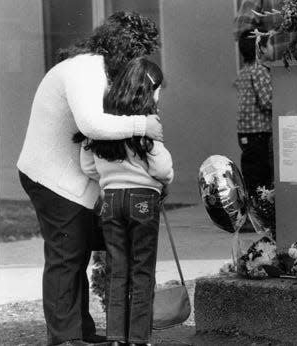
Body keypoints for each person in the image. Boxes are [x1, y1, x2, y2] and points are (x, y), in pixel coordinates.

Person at [17, 11, 163, 346]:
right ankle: (64, 337)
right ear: (125, 51)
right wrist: (144, 126)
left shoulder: (95, 69)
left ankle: (79, 331)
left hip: (66, 175)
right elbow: (92, 125)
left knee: (76, 250)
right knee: (66, 254)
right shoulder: (86, 69)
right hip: (49, 176)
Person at [78, 57, 173, 346]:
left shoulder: (106, 124)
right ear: (149, 90)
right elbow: (162, 169)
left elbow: (88, 166)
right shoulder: (147, 126)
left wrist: (111, 173)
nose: (158, 97)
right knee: (142, 270)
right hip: (143, 199)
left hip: (111, 201)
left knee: (118, 270)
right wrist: (165, 177)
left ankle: (116, 337)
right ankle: (138, 339)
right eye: (158, 90)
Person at [234, 31, 274, 195]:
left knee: (251, 173)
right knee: (261, 175)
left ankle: (252, 208)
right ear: (261, 48)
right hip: (259, 132)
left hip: (244, 133)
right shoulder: (259, 71)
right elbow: (267, 101)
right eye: (270, 44)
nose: (272, 47)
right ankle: (258, 212)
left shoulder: (243, 71)